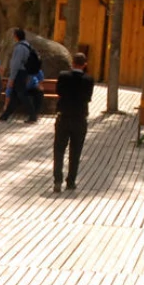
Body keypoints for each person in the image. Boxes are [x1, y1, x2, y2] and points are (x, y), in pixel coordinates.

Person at [52, 52, 95, 193]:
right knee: (75, 152)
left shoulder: (63, 76)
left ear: (72, 63)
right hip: (79, 119)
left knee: (59, 150)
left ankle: (57, 180)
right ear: (85, 65)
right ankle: (71, 181)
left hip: (63, 117)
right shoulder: (88, 79)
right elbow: (88, 98)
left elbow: (58, 91)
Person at [0, 27, 37, 123]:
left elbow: (16, 63)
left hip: (19, 73)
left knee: (22, 94)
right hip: (24, 73)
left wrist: (11, 78)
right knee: (15, 95)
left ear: (16, 36)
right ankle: (5, 116)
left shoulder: (19, 47)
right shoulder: (27, 46)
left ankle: (33, 115)